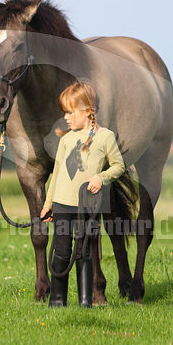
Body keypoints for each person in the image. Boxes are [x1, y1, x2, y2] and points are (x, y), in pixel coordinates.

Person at [40, 81, 126, 308]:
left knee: (85, 251)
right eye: (64, 112)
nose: (66, 117)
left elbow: (119, 166)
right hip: (61, 204)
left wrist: (101, 178)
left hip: (87, 206)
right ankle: (57, 301)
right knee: (61, 251)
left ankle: (86, 301)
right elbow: (57, 174)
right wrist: (48, 204)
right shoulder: (66, 139)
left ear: (88, 110)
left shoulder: (106, 137)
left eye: (70, 112)